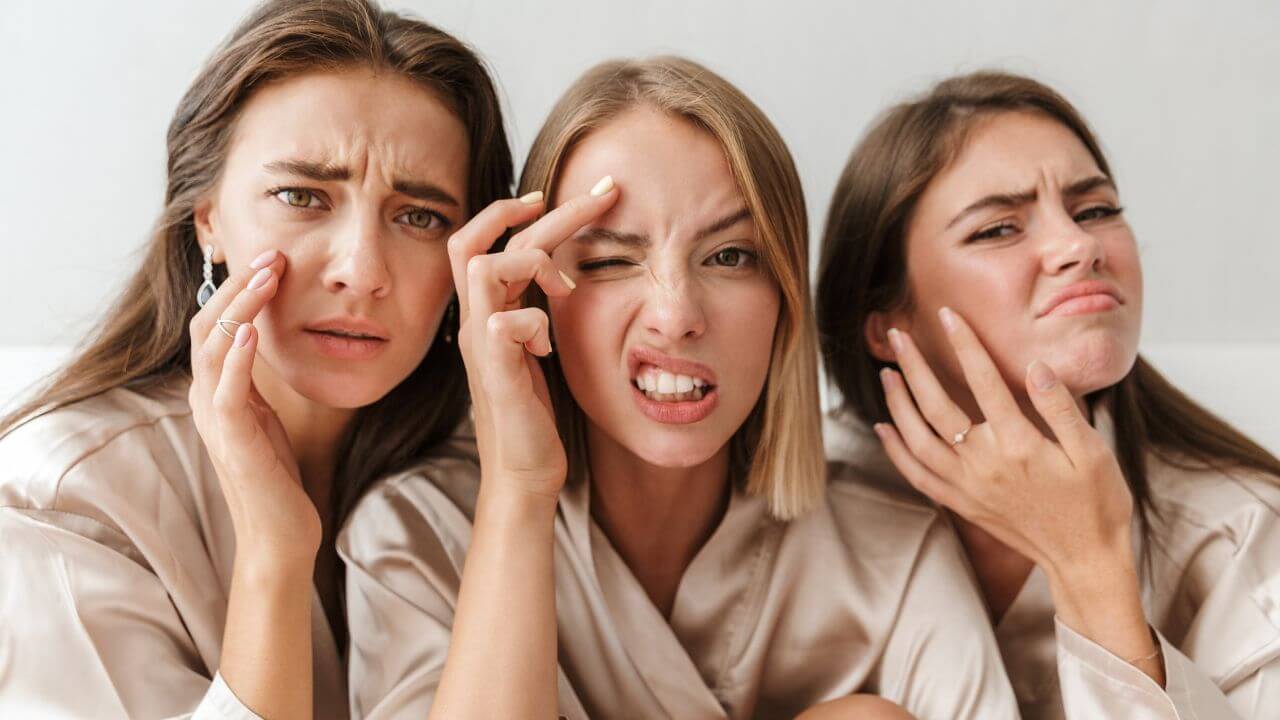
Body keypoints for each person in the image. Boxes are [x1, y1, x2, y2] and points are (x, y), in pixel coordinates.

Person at [340, 56, 1019, 719]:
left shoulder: (891, 554)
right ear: (529, 294)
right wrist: (518, 490)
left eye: (729, 257)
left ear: (785, 295)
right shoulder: (417, 533)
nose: (676, 317)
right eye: (610, 260)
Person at [0, 1, 512, 717]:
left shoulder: (484, 478)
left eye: (419, 216)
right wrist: (275, 552)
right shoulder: (62, 505)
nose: (362, 270)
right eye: (302, 196)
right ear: (207, 217)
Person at [817, 70, 1280, 719]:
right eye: (998, 229)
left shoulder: (1246, 541)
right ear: (887, 325)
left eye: (1095, 210)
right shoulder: (807, 503)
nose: (1079, 245)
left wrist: (1088, 565)